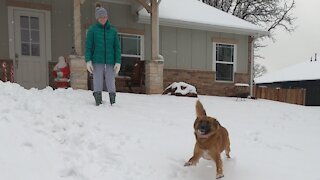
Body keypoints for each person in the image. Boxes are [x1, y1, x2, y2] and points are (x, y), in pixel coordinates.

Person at [85, 3, 121, 106]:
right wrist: (88, 60)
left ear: (107, 17)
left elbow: (117, 48)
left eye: (104, 17)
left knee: (110, 80)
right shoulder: (93, 30)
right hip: (97, 60)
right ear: (97, 18)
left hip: (111, 60)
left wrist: (118, 61)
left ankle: (112, 101)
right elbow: (88, 47)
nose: (103, 19)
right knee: (97, 80)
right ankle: (98, 100)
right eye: (100, 17)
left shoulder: (113, 30)